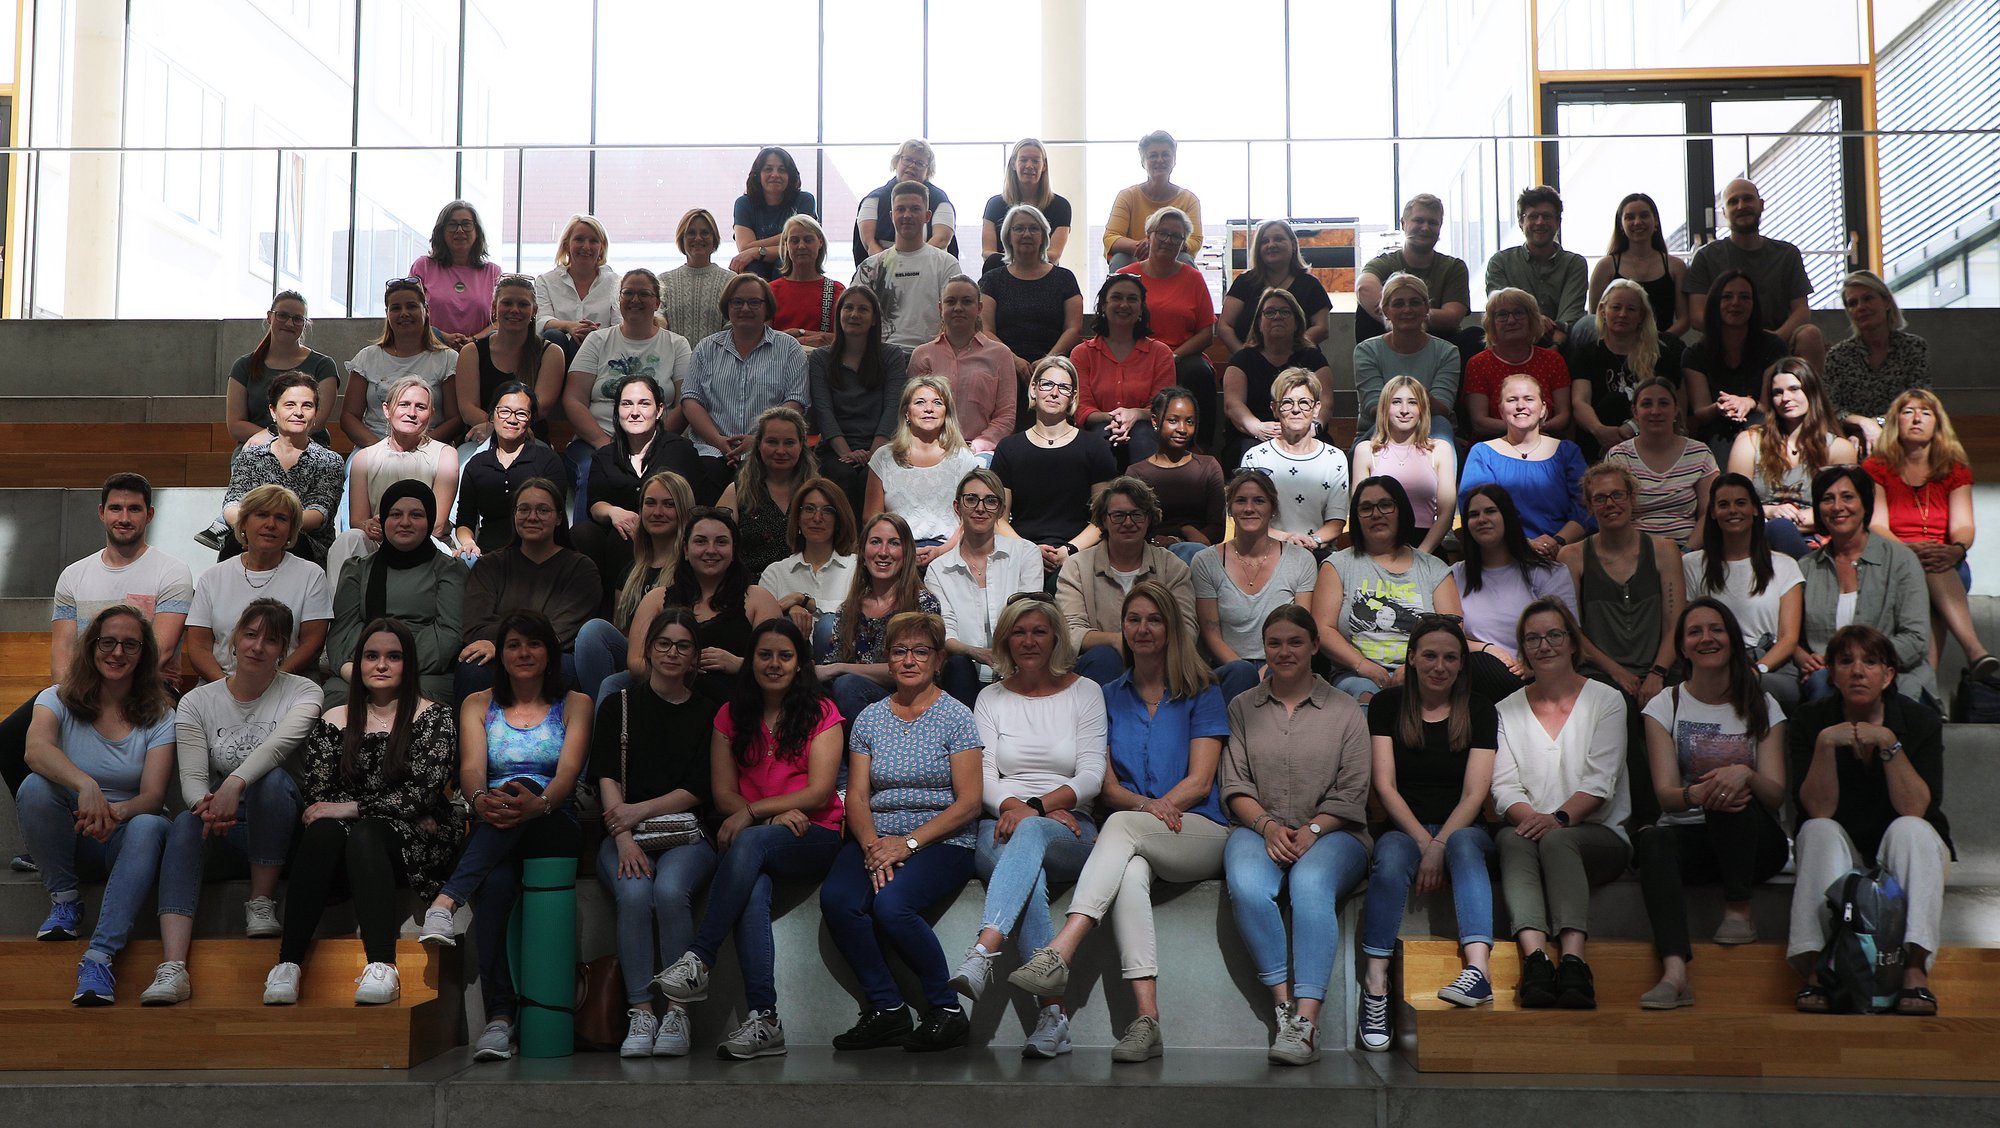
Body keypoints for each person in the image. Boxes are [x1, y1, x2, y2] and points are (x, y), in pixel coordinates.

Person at [1005, 581, 1230, 1062]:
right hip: (1141, 830)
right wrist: (1146, 807)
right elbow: (1106, 786)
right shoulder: (1108, 695)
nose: (1143, 629)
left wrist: (1156, 805)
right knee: (1127, 868)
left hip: (1199, 830)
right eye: (1134, 620)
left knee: (1121, 826)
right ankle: (1146, 1021)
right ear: (1122, 629)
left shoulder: (1203, 689)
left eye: (1153, 619)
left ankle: (1060, 952)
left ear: (1171, 627)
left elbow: (1200, 779)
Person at [651, 617, 845, 1060]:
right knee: (752, 885)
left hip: (814, 834)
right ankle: (765, 1020)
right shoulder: (730, 715)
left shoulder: (821, 712)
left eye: (785, 656)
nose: (774, 664)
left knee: (749, 845)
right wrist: (764, 819)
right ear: (750, 661)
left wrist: (758, 813)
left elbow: (818, 792)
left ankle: (699, 958)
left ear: (800, 664)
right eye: (765, 655)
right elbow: (722, 793)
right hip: (758, 836)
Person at [263, 618, 462, 1007]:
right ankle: (287, 964)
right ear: (359, 663)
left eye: (393, 657)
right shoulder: (335, 718)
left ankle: (382, 966)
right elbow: (320, 798)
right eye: (372, 656)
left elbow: (422, 795)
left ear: (409, 665)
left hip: (420, 841)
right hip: (354, 837)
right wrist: (390, 807)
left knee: (368, 831)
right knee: (323, 833)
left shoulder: (434, 717)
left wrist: (354, 806)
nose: (381, 665)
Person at [420, 610, 592, 1062]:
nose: (524, 653)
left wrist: (538, 803)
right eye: (514, 644)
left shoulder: (575, 702)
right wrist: (478, 800)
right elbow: (472, 769)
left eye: (534, 644)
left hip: (555, 821)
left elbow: (568, 774)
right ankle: (500, 1018)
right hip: (494, 821)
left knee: (529, 785)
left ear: (550, 653)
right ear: (502, 653)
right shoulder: (478, 703)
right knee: (495, 887)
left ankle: (446, 901)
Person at [948, 595, 1108, 1059]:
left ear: (1056, 637)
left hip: (1070, 826)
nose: (1029, 640)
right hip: (1000, 822)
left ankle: (983, 951)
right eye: (1019, 632)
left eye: (1039, 631)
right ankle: (1052, 1019)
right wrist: (1018, 808)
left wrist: (1036, 809)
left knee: (1032, 834)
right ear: (1005, 641)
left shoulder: (1086, 692)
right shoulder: (990, 697)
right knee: (1028, 869)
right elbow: (983, 779)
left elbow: (1092, 776)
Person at [0, 475, 191, 851]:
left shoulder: (171, 571)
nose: (124, 517)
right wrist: (74, 696)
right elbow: (62, 650)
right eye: (116, 508)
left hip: (149, 685)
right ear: (101, 513)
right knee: (8, 738)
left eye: (134, 509)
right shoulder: (75, 574)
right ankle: (44, 838)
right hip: (85, 687)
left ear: (149, 514)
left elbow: (161, 650)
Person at [821, 612, 983, 1053]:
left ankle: (946, 1009)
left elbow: (968, 802)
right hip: (878, 836)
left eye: (920, 651)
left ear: (937, 661)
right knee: (838, 900)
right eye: (899, 651)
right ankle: (887, 1008)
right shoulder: (870, 719)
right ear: (888, 660)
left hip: (941, 838)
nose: (909, 659)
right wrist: (875, 847)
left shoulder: (957, 717)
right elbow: (855, 796)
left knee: (892, 905)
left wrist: (907, 845)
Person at [1221, 603, 1372, 1066]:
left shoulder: (1347, 711)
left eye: (1294, 642)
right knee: (1246, 885)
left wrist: (1312, 829)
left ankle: (1308, 1021)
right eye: (1274, 643)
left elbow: (1353, 791)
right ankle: (1285, 1008)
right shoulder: (1242, 707)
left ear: (1314, 646)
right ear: (1263, 649)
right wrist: (1267, 826)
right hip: (1258, 826)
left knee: (1309, 884)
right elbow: (1235, 783)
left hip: (1334, 833)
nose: (1284, 651)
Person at [147, 600, 319, 1005]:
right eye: (250, 634)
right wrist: (204, 806)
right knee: (186, 824)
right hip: (221, 823)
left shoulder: (304, 691)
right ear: (233, 640)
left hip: (283, 824)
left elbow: (278, 750)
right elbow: (190, 779)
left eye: (272, 640)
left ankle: (261, 902)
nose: (258, 647)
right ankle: (173, 967)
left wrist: (234, 784)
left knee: (270, 781)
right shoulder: (196, 702)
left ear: (283, 649)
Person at [1787, 623, 1951, 1017]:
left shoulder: (1919, 721)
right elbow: (1818, 809)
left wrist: (1888, 744)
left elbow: (1916, 808)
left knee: (1911, 829)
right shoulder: (1810, 722)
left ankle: (1914, 968)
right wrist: (1826, 744)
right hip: (1843, 847)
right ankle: (1816, 970)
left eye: (1870, 662)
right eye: (1845, 661)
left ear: (1889, 674)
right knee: (1818, 830)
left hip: (1904, 850)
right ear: (1831, 672)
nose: (1857, 671)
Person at [1635, 599, 1789, 1010]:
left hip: (1756, 843)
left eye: (1716, 629)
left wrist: (1746, 774)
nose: (1706, 638)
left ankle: (1738, 912)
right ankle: (1674, 972)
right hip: (1691, 837)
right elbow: (1666, 795)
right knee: (1652, 840)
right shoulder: (1664, 705)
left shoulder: (1762, 704)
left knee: (1733, 791)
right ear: (1683, 647)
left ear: (1733, 640)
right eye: (1695, 632)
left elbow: (1775, 794)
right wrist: (1699, 794)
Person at [1355, 616, 1500, 1051]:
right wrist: (1424, 842)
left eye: (1450, 657)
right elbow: (1385, 785)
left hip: (1462, 827)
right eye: (1431, 656)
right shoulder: (1386, 706)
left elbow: (1476, 792)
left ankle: (1479, 972)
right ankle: (1376, 983)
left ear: (1461, 664)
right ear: (1413, 658)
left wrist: (1440, 845)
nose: (1440, 666)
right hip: (1405, 826)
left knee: (1465, 846)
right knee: (1392, 858)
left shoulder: (1478, 708)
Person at [20, 606, 174, 1006]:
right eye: (108, 642)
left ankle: (100, 956)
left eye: (130, 645)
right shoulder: (55, 698)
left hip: (124, 838)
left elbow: (154, 796)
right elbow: (35, 751)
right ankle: (66, 902)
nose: (117, 653)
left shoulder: (160, 714)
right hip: (69, 832)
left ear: (143, 655)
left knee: (151, 824)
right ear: (91, 647)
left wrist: (113, 812)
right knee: (36, 787)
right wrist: (85, 786)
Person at [591, 608, 721, 1058]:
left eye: (683, 646)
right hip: (621, 833)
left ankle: (678, 1012)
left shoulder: (709, 713)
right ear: (647, 651)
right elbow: (605, 774)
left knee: (668, 891)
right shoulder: (618, 704)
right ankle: (641, 1010)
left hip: (686, 833)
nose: (672, 653)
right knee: (633, 891)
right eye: (663, 643)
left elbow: (700, 788)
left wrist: (637, 813)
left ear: (695, 658)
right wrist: (622, 833)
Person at [1492, 596, 1633, 1009]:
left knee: (1556, 840)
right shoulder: (1504, 710)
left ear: (1573, 642)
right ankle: (1536, 960)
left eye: (1555, 634)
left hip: (1599, 835)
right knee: (1512, 840)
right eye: (1532, 638)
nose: (1544, 645)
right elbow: (1503, 787)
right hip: (1531, 828)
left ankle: (1573, 960)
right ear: (1522, 649)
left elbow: (1601, 781)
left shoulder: (1606, 700)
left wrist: (1557, 819)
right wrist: (1536, 820)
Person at [1864, 390, 1994, 680]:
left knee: (1935, 566)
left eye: (1925, 412)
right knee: (1928, 567)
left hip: (1946, 560)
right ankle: (1974, 651)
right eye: (1908, 411)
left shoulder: (1954, 469)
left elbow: (1963, 526)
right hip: (1894, 554)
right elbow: (1878, 525)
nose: (1917, 418)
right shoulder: (1876, 467)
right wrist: (1910, 550)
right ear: (1896, 421)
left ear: (1938, 422)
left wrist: (1956, 549)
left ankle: (1926, 692)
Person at [1315, 477, 1463, 704]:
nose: (1376, 514)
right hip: (1355, 673)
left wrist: (1413, 668)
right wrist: (1363, 666)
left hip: (1427, 672)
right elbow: (1323, 629)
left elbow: (1452, 629)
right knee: (1365, 695)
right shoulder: (1338, 565)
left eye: (1385, 505)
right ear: (1356, 517)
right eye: (1366, 508)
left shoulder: (1434, 568)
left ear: (1401, 510)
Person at [1796, 465, 1934, 707]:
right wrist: (1803, 658)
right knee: (1819, 685)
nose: (1838, 506)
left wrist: (1851, 662)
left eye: (1847, 497)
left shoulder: (1900, 560)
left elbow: (1915, 639)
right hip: (1829, 680)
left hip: (1897, 678)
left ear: (1865, 504)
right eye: (1828, 499)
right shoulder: (1806, 568)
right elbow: (1788, 636)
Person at [456, 478, 604, 701]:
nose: (532, 517)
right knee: (472, 666)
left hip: (552, 658)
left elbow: (562, 632)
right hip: (496, 656)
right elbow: (475, 626)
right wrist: (513, 645)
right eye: (523, 509)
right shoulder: (490, 565)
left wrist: (504, 644)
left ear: (559, 518)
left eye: (543, 510)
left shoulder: (581, 569)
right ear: (514, 515)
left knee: (565, 668)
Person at [623, 507, 783, 702]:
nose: (711, 550)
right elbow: (636, 663)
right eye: (700, 541)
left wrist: (736, 663)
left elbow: (780, 664)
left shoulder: (758, 599)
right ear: (686, 550)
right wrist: (678, 667)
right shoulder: (656, 599)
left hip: (736, 707)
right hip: (668, 702)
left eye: (721, 542)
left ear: (734, 552)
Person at [326, 481, 464, 708]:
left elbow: (449, 633)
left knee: (421, 705)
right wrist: (363, 668)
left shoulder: (449, 570)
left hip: (423, 672)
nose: (405, 522)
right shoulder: (358, 569)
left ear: (429, 521)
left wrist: (396, 665)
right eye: (395, 514)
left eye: (416, 515)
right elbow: (342, 631)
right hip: (363, 668)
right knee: (336, 698)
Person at [1561, 463, 1685, 712]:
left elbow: (1676, 623)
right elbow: (1572, 630)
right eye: (1600, 498)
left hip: (1662, 666)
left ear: (1631, 498)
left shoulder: (1664, 551)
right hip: (1601, 672)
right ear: (1589, 506)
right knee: (1615, 707)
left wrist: (1657, 673)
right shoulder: (1572, 556)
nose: (1610, 504)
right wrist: (1618, 673)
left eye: (1617, 495)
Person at [567, 268, 694, 509]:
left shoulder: (677, 344)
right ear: (619, 300)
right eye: (628, 293)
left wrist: (652, 444)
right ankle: (586, 543)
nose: (635, 300)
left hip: (656, 442)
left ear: (657, 302)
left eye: (644, 294)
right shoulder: (598, 340)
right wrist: (603, 443)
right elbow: (573, 399)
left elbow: (685, 401)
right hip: (596, 441)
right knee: (591, 470)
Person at [682, 273, 811, 505]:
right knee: (704, 478)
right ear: (727, 307)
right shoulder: (706, 348)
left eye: (754, 302)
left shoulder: (789, 348)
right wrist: (718, 440)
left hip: (767, 450)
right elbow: (691, 400)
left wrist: (759, 439)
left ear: (767, 307)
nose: (745, 308)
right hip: (712, 449)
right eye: (737, 302)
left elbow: (795, 402)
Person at [1683, 473, 1806, 714]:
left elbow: (1789, 638)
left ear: (1756, 510)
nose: (1732, 511)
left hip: (1770, 666)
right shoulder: (1692, 564)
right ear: (1713, 513)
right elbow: (1687, 630)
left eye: (1741, 503)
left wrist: (1756, 670)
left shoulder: (1784, 565)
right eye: (1723, 504)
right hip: (1713, 661)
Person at [1191, 469, 1318, 701]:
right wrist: (1249, 672)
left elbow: (1302, 629)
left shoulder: (1301, 560)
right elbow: (1211, 635)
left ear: (1273, 509)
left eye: (1259, 501)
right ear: (1230, 508)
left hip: (1284, 661)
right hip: (1228, 668)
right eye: (1241, 501)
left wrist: (1269, 670)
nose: (1249, 508)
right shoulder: (1205, 561)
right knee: (1240, 674)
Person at [185, 484, 331, 684]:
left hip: (286, 682)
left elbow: (312, 643)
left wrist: (271, 682)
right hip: (219, 684)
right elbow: (198, 646)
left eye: (281, 518)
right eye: (262, 515)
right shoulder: (212, 577)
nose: (271, 524)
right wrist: (228, 688)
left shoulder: (311, 575)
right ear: (243, 523)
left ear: (291, 530)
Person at [1060, 477, 1198, 686]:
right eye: (1118, 516)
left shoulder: (1172, 566)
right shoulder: (1077, 566)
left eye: (1137, 514)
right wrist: (1117, 641)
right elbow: (1069, 633)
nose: (1128, 523)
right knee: (1104, 657)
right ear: (1103, 520)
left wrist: (1143, 648)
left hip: (1163, 667)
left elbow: (1186, 630)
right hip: (1098, 671)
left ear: (1149, 518)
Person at [1683, 178, 1825, 377]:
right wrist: (1738, 337)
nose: (1741, 206)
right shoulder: (1706, 257)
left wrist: (1772, 340)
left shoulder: (1787, 254)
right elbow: (1697, 317)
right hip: (1726, 344)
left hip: (1778, 339)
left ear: (1761, 205)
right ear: (1723, 212)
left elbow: (1801, 310)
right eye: (1733, 202)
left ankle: (1812, 406)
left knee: (1810, 335)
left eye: (1747, 199)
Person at [325, 377, 458, 588]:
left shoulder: (445, 455)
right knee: (349, 540)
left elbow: (438, 524)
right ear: (387, 410)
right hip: (378, 541)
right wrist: (368, 525)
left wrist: (397, 529)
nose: (411, 413)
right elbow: (357, 520)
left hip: (425, 539)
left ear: (431, 414)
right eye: (404, 404)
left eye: (420, 407)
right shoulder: (365, 458)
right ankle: (340, 614)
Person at [928, 468, 1045, 706]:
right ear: (957, 506)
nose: (980, 508)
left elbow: (1030, 619)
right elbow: (945, 634)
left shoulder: (1025, 554)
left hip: (1018, 669)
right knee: (959, 664)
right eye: (971, 499)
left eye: (990, 501)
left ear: (1001, 510)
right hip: (964, 675)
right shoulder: (938, 570)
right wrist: (975, 652)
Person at [991, 358, 1118, 573]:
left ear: (1073, 397)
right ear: (1033, 389)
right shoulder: (1008, 448)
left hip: (1080, 555)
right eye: (1047, 384)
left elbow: (1103, 517)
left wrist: (1070, 549)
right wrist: (1028, 551)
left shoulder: (1094, 447)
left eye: (1064, 388)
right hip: (1020, 552)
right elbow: (997, 519)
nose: (1054, 393)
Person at [1451, 484, 1579, 697]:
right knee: (1481, 664)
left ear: (1507, 516)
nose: (1482, 519)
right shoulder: (1455, 575)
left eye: (1491, 511)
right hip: (1477, 675)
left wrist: (1531, 664)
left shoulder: (1547, 572)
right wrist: (1487, 649)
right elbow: (1446, 636)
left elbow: (1567, 634)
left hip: (1536, 673)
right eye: (1473, 514)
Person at [1728, 359, 1857, 559]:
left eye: (1794, 389)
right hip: (1758, 535)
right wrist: (1770, 512)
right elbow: (1732, 503)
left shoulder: (1838, 448)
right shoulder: (1750, 442)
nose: (1785, 398)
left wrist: (1805, 518)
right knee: (1779, 528)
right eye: (1777, 393)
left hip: (1817, 537)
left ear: (1812, 392)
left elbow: (1847, 507)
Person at [579, 469, 696, 683]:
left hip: (675, 664)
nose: (657, 512)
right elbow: (620, 629)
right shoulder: (631, 571)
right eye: (650, 503)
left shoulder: (691, 569)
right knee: (593, 632)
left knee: (613, 683)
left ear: (684, 511)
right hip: (635, 663)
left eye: (669, 504)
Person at [823, 512, 941, 722]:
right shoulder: (848, 609)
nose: (883, 552)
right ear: (863, 551)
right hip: (855, 705)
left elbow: (914, 668)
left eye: (894, 543)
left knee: (847, 684)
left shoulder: (922, 604)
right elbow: (828, 670)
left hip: (910, 705)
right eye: (875, 542)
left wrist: (839, 668)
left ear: (907, 553)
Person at [221, 370, 344, 561]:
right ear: (273, 411)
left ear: (316, 413)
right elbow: (232, 503)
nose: (298, 412)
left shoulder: (329, 461)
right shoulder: (252, 456)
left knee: (294, 547)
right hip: (253, 538)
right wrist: (254, 529)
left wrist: (274, 529)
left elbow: (319, 513)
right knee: (233, 546)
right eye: (289, 405)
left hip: (304, 543)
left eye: (307, 406)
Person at [1460, 373, 1589, 553]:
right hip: (1503, 553)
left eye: (1528, 399)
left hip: (1562, 552)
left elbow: (1585, 507)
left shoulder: (1567, 452)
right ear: (1501, 410)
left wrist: (1557, 542)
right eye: (1512, 400)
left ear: (1543, 408)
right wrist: (1524, 545)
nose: (1521, 406)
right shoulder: (1483, 453)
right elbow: (1477, 510)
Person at [980, 202, 1085, 423]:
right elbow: (985, 329)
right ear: (1008, 236)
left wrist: (1049, 360)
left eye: (1033, 228)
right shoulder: (992, 280)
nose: (1026, 234)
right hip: (1004, 363)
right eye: (1019, 228)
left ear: (1043, 235)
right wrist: (1014, 360)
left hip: (1053, 361)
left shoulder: (1064, 278)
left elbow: (1073, 328)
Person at [1115, 208, 1218, 431]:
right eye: (1162, 233)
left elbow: (1206, 333)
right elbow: (1111, 322)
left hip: (1181, 356)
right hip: (1135, 354)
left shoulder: (1194, 279)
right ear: (1149, 236)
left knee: (1199, 372)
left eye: (1176, 236)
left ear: (1183, 243)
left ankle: (1201, 446)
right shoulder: (1125, 275)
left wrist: (1173, 356)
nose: (1168, 240)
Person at [865, 375, 984, 565]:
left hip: (952, 552)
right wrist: (902, 552)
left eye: (937, 403)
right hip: (897, 555)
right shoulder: (884, 457)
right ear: (906, 412)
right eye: (920, 402)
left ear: (946, 413)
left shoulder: (963, 458)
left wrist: (941, 551)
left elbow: (972, 519)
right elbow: (872, 519)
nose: (929, 409)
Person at [1571, 279, 1686, 461]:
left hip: (1648, 435)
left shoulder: (1661, 354)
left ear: (1641, 315)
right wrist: (1601, 432)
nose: (1623, 314)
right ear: (1603, 311)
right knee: (1612, 402)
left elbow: (1673, 404)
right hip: (1597, 439)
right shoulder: (1587, 353)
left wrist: (1628, 430)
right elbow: (1580, 401)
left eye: (1631, 309)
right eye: (1616, 307)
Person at [341, 277, 460, 450]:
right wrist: (381, 450)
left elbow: (455, 419)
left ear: (426, 310)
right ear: (387, 314)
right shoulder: (367, 357)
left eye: (411, 306)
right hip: (373, 448)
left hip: (429, 449)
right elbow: (349, 416)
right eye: (396, 308)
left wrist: (419, 448)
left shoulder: (447, 359)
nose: (404, 313)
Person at [452, 382, 568, 560]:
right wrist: (468, 542)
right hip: (488, 554)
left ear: (530, 420)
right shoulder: (477, 464)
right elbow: (465, 521)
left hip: (538, 552)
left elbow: (555, 517)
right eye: (504, 411)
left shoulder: (548, 461)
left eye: (521, 413)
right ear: (492, 415)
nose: (512, 419)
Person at [1683, 270, 1789, 461]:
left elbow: (1769, 406)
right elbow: (1700, 411)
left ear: (1754, 304)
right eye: (1727, 296)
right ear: (1715, 303)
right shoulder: (1695, 354)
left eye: (1744, 297)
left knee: (1756, 427)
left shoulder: (1773, 346)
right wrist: (1721, 406)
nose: (1735, 303)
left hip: (1761, 423)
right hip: (1715, 429)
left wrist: (1749, 402)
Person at [1239, 368, 1349, 551]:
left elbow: (1336, 521)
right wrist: (1287, 539)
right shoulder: (1255, 457)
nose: (1296, 410)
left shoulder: (1335, 458)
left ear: (1316, 409)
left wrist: (1312, 541)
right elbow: (1249, 516)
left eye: (1304, 403)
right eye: (1287, 403)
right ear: (1274, 409)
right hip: (1268, 551)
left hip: (1317, 551)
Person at [1221, 288, 1333, 466]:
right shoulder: (1242, 359)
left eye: (1285, 312)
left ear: (1296, 322)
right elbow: (1233, 404)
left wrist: (1313, 427)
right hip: (1254, 435)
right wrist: (1258, 428)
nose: (1277, 316)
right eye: (1270, 312)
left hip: (1305, 430)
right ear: (1259, 322)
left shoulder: (1313, 358)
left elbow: (1326, 402)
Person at [1071, 274, 1175, 461]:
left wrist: (1134, 414)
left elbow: (1163, 407)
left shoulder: (1160, 353)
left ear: (1141, 308)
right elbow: (1082, 408)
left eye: (1132, 299)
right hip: (1098, 428)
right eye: (1117, 297)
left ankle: (1145, 491)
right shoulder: (1082, 353)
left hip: (1146, 429)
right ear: (1103, 305)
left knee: (1143, 437)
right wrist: (1114, 418)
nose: (1124, 305)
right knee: (1098, 442)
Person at [1825, 269, 1929, 455]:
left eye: (1868, 298)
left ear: (1887, 301)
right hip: (1852, 438)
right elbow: (1831, 408)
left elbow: (1918, 400)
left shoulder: (1913, 347)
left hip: (1903, 434)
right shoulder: (1838, 355)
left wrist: (1877, 424)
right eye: (1853, 303)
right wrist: (1863, 424)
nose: (1861, 307)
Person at [1355, 194, 1477, 351]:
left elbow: (1452, 317)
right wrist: (1404, 321)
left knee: (1475, 335)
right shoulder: (1384, 262)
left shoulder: (1454, 267)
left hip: (1439, 347)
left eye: (1433, 222)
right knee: (1365, 314)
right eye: (1418, 221)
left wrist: (1405, 316)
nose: (1425, 228)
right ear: (1403, 223)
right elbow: (1364, 288)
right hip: (1391, 343)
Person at [1352, 375, 1458, 555]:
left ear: (1422, 409)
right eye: (1396, 402)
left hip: (1426, 548)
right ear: (1385, 408)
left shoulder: (1440, 450)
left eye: (1412, 403)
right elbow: (1359, 510)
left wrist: (1420, 556)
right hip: (1378, 549)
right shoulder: (1366, 451)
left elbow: (1446, 513)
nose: (1404, 410)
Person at [912, 276, 1016, 458]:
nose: (958, 308)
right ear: (940, 308)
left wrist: (976, 447)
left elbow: (1006, 416)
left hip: (982, 450)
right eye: (951, 301)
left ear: (979, 308)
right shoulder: (922, 355)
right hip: (931, 446)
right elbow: (914, 410)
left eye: (966, 302)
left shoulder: (1001, 355)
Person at [1606, 378, 1717, 549]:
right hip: (1634, 553)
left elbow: (1708, 514)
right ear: (1635, 412)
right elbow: (1612, 514)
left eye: (1664, 403)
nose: (1655, 411)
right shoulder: (1619, 457)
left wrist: (1686, 553)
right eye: (1647, 404)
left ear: (1676, 410)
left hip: (1688, 551)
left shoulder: (1700, 453)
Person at [224, 290, 340, 453]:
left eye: (297, 319)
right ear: (270, 317)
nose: (289, 323)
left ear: (305, 323)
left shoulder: (323, 366)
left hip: (308, 450)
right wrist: (269, 438)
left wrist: (274, 436)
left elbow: (316, 422)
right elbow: (235, 425)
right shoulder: (244, 366)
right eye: (282, 315)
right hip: (257, 450)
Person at [1352, 273, 1460, 446]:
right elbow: (1374, 407)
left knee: (1442, 430)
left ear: (1426, 308)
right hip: (1378, 429)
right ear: (1385, 310)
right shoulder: (1367, 350)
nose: (1407, 310)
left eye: (1415, 302)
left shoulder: (1447, 352)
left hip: (1431, 428)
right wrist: (1415, 396)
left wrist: (1400, 396)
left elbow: (1442, 408)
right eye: (1398, 304)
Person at [760, 477, 859, 663]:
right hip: (790, 672)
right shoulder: (775, 573)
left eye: (827, 511)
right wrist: (789, 609)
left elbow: (860, 615)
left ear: (839, 520)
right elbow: (764, 631)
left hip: (843, 666)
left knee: (828, 625)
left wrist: (804, 600)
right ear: (797, 518)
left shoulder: (857, 568)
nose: (817, 518)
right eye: (809, 509)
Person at [458, 274, 564, 444]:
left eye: (523, 304)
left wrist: (506, 428)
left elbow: (540, 408)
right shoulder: (472, 352)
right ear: (494, 308)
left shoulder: (551, 353)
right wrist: (494, 428)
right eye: (507, 303)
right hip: (482, 436)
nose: (514, 310)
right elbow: (468, 409)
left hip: (531, 439)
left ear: (534, 311)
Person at [852, 181, 959, 349]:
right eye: (900, 209)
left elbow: (955, 319)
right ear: (891, 215)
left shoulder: (947, 264)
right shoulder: (870, 267)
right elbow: (853, 318)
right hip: (881, 357)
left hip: (932, 357)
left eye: (915, 209)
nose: (907, 215)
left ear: (927, 216)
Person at [715, 406, 816, 581]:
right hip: (751, 589)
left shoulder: (817, 493)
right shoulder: (737, 492)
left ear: (802, 445)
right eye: (772, 442)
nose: (781, 451)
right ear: (758, 444)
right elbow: (715, 545)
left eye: (789, 442)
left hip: (808, 588)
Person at [1128, 387, 1226, 564]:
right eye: (1173, 420)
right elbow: (1136, 527)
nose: (1182, 429)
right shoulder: (1137, 473)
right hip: (1152, 555)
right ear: (1155, 421)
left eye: (1189, 422)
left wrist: (1183, 533)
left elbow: (1217, 529)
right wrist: (1183, 532)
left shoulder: (1208, 466)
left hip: (1200, 556)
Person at [1462, 287, 1574, 439]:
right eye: (1502, 315)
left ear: (1532, 320)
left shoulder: (1553, 360)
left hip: (1546, 439)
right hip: (1495, 444)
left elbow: (1564, 416)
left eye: (1518, 313)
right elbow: (1479, 422)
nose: (1511, 320)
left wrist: (1535, 429)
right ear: (1491, 323)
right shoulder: (1478, 364)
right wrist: (1524, 427)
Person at [1483, 186, 1588, 347]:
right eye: (1533, 216)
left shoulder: (1574, 264)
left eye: (1547, 216)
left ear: (1558, 222)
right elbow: (1499, 307)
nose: (1540, 222)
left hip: (1561, 340)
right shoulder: (1500, 262)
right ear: (1520, 222)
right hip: (1513, 340)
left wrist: (1555, 346)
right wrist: (1536, 319)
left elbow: (1571, 314)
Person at [1220, 219, 1332, 354]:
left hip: (1299, 363)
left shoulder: (1311, 285)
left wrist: (1286, 352)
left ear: (1293, 245)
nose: (1271, 245)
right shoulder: (1244, 282)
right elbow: (1225, 325)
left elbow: (1322, 328)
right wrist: (1243, 358)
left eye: (1278, 239)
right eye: (1264, 241)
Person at [1586, 192, 1689, 336]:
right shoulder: (1605, 267)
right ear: (1621, 225)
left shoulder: (1676, 267)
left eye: (1644, 216)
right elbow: (1595, 318)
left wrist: (1657, 343)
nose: (1637, 222)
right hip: (1617, 349)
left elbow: (1684, 319)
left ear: (1656, 222)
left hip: (1663, 349)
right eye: (1629, 217)